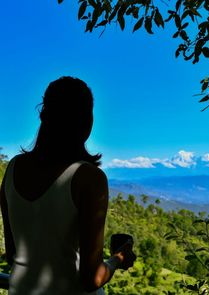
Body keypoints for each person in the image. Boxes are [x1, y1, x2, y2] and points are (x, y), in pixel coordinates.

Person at [0, 76, 136, 295]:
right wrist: (119, 258)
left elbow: (14, 254)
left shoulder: (13, 168)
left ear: (45, 115)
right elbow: (91, 279)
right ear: (85, 120)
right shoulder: (89, 177)